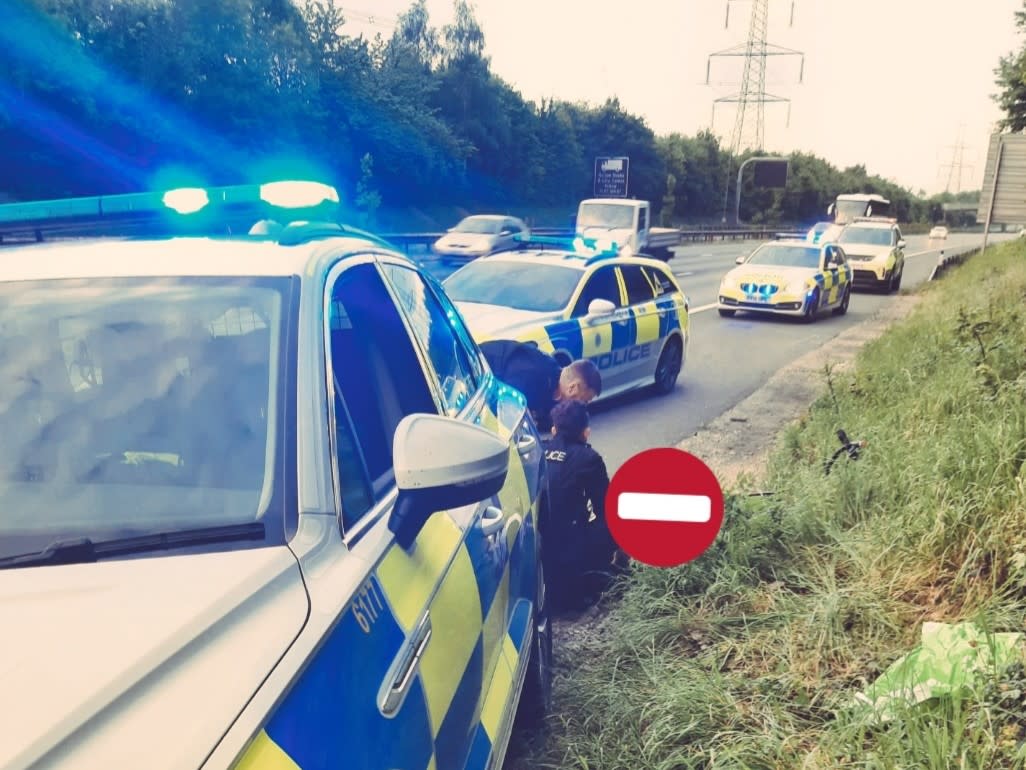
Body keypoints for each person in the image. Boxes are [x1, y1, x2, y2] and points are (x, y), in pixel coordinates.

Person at [540, 399, 627, 612]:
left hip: (536, 545)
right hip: (567, 552)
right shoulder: (589, 459)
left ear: (553, 429)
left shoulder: (536, 450)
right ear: (585, 432)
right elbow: (605, 508)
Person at [478, 339, 602, 433]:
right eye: (584, 401)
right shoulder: (530, 375)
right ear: (573, 388)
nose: (582, 406)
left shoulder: (555, 389)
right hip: (473, 371)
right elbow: (504, 417)